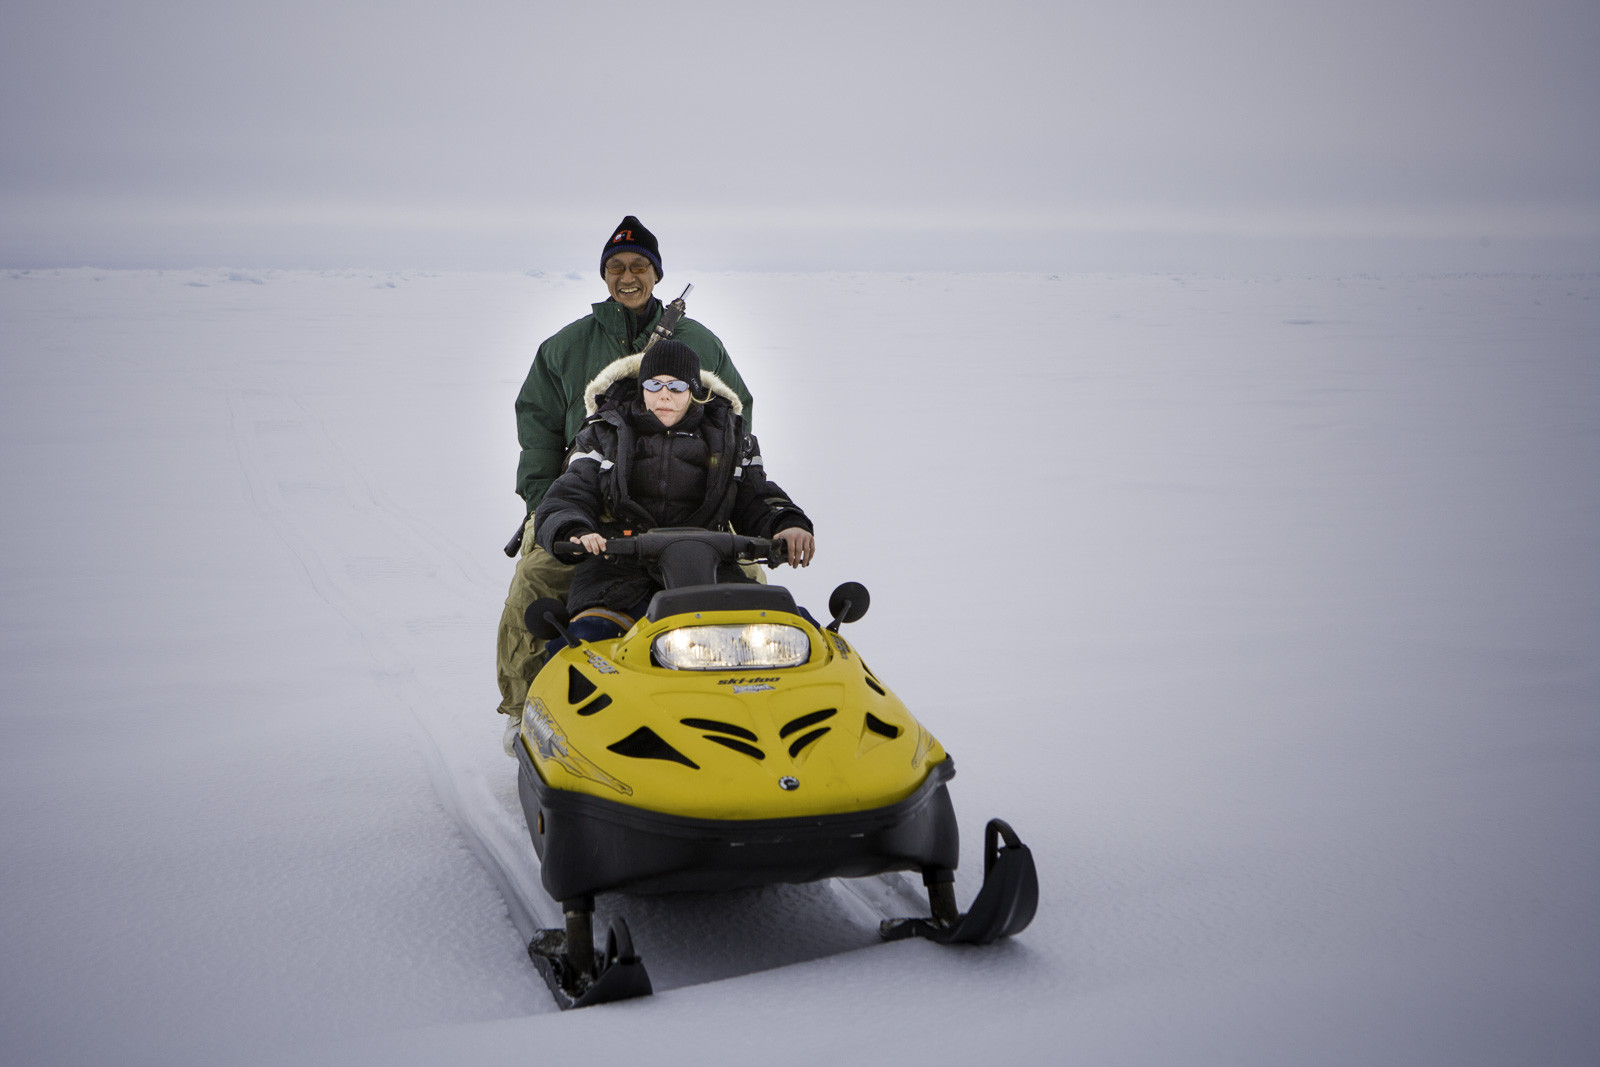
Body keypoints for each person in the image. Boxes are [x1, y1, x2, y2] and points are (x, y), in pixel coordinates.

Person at [496, 217, 754, 742]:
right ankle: (526, 710)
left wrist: (721, 489)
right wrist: (548, 507)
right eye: (616, 267)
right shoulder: (565, 347)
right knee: (536, 581)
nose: (628, 276)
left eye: (639, 266)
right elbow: (538, 430)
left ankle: (743, 701)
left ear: (657, 274)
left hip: (691, 507)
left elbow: (735, 416)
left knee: (751, 588)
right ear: (604, 276)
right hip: (589, 497)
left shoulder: (700, 340)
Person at [533, 339, 814, 652]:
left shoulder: (731, 436)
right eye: (654, 385)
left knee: (795, 634)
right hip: (618, 572)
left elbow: (755, 494)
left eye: (677, 386)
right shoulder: (604, 431)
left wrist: (786, 522)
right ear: (641, 387)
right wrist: (573, 529)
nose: (664, 395)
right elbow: (570, 493)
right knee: (584, 641)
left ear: (693, 390)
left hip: (710, 572)